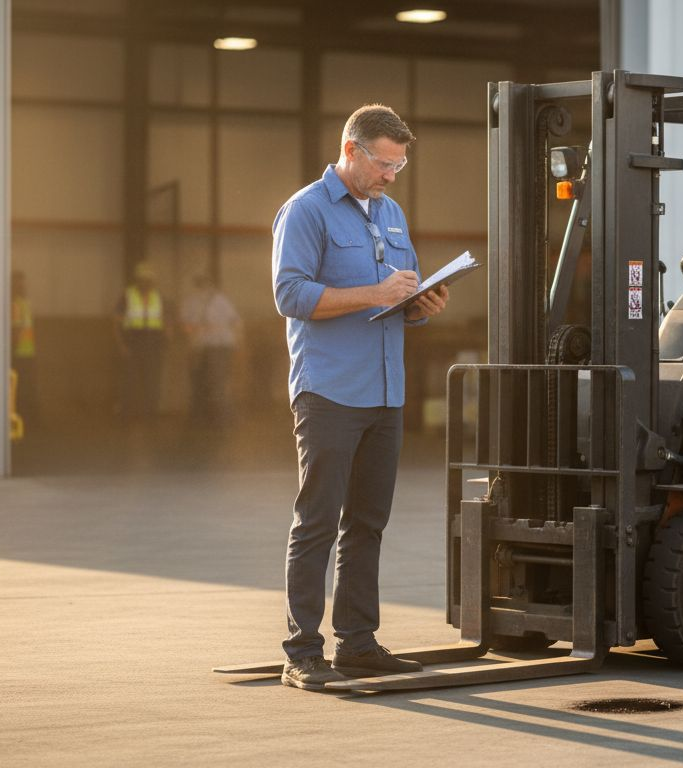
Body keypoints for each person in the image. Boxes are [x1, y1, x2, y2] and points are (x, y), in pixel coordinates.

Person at [272, 104, 449, 691]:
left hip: (384, 389)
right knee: (318, 519)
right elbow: (291, 294)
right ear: (351, 151)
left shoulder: (392, 213)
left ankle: (358, 643)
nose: (391, 176)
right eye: (383, 163)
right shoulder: (306, 211)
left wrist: (421, 305)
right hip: (328, 391)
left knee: (368, 521)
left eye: (399, 166)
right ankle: (302, 649)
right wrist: (373, 290)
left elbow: (402, 293)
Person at [181, 273, 243, 427]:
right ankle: (221, 419)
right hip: (221, 346)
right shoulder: (220, 300)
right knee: (218, 383)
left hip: (204, 347)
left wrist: (199, 331)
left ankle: (213, 418)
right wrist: (237, 343)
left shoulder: (191, 302)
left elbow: (186, 327)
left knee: (205, 383)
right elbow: (236, 322)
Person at [114, 261, 168, 419]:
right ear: (137, 280)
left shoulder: (159, 297)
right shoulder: (127, 296)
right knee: (129, 378)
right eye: (143, 279)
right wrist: (121, 345)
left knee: (153, 379)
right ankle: (127, 412)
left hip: (154, 342)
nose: (146, 283)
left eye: (149, 280)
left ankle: (151, 413)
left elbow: (166, 323)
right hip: (133, 340)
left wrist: (165, 343)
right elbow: (116, 323)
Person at [10, 270, 39, 428]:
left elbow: (16, 329)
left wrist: (11, 350)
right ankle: (31, 420)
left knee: (19, 388)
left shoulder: (16, 304)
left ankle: (24, 419)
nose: (22, 285)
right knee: (27, 386)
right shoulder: (24, 303)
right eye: (20, 282)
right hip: (27, 352)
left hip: (20, 353)